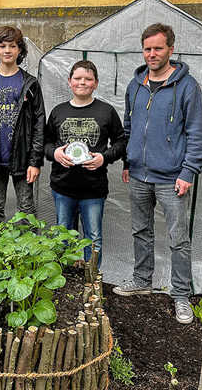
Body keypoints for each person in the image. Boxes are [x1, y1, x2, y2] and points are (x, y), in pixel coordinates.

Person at [113, 23, 202, 324]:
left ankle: (181, 295)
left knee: (178, 238)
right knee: (141, 231)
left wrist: (189, 171)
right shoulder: (134, 85)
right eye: (147, 48)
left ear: (170, 49)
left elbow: (196, 133)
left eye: (158, 48)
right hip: (139, 175)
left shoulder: (187, 86)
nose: (152, 54)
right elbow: (130, 130)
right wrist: (128, 162)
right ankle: (142, 281)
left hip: (172, 177)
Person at [44, 60, 126, 268]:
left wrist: (104, 158)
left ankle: (92, 282)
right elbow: (45, 143)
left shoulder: (106, 111)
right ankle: (63, 281)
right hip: (63, 187)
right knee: (63, 237)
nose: (83, 82)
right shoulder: (58, 111)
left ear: (96, 83)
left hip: (93, 189)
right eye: (78, 78)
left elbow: (121, 141)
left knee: (93, 237)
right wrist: (54, 153)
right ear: (69, 82)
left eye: (88, 79)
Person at [0, 26, 45, 222]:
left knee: (27, 210)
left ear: (19, 49)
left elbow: (39, 123)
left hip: (23, 158)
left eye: (12, 46)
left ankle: (27, 253)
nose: (7, 50)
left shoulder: (30, 83)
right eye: (2, 45)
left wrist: (35, 161)